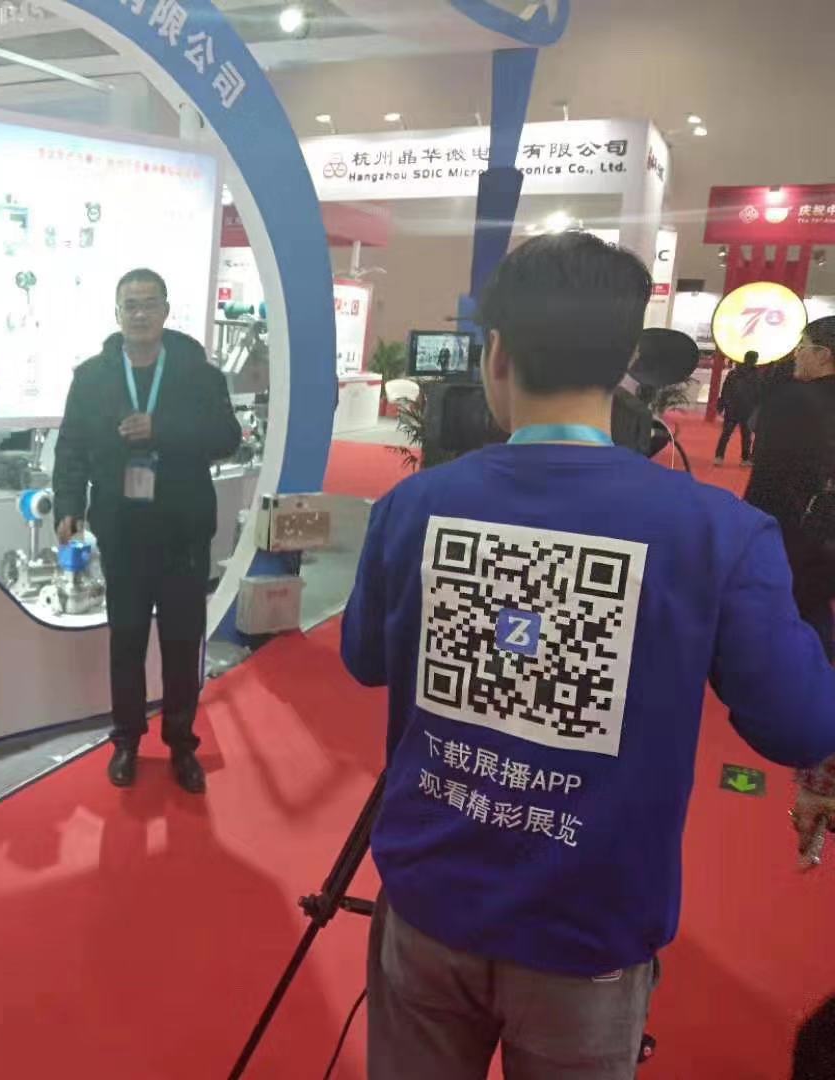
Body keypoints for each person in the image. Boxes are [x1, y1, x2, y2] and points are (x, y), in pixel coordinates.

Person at [341, 233, 835, 1080]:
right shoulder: (716, 530)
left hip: (428, 898)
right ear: (626, 362)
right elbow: (801, 722)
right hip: (588, 931)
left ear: (497, 354)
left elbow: (363, 658)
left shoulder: (416, 504)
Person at [53, 268, 240, 794]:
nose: (139, 314)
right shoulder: (92, 377)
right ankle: (126, 741)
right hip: (122, 530)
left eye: (148, 303)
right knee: (127, 640)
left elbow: (227, 436)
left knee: (182, 644)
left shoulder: (198, 373)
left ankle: (181, 744)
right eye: (129, 305)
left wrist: (162, 430)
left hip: (182, 531)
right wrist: (67, 504)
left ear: (166, 310)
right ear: (117, 313)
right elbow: (71, 447)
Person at [744, 316, 835, 653]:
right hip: (825, 543)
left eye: (803, 346)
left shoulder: (794, 401)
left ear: (823, 354)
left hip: (795, 540)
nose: (797, 353)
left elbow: (768, 480)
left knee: (778, 635)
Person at [714, 349, 760, 466]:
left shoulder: (733, 373)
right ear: (755, 360)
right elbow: (758, 393)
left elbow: (725, 390)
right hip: (747, 409)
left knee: (726, 434)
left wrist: (722, 404)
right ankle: (745, 459)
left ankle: (719, 456)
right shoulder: (757, 375)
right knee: (746, 436)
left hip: (732, 408)